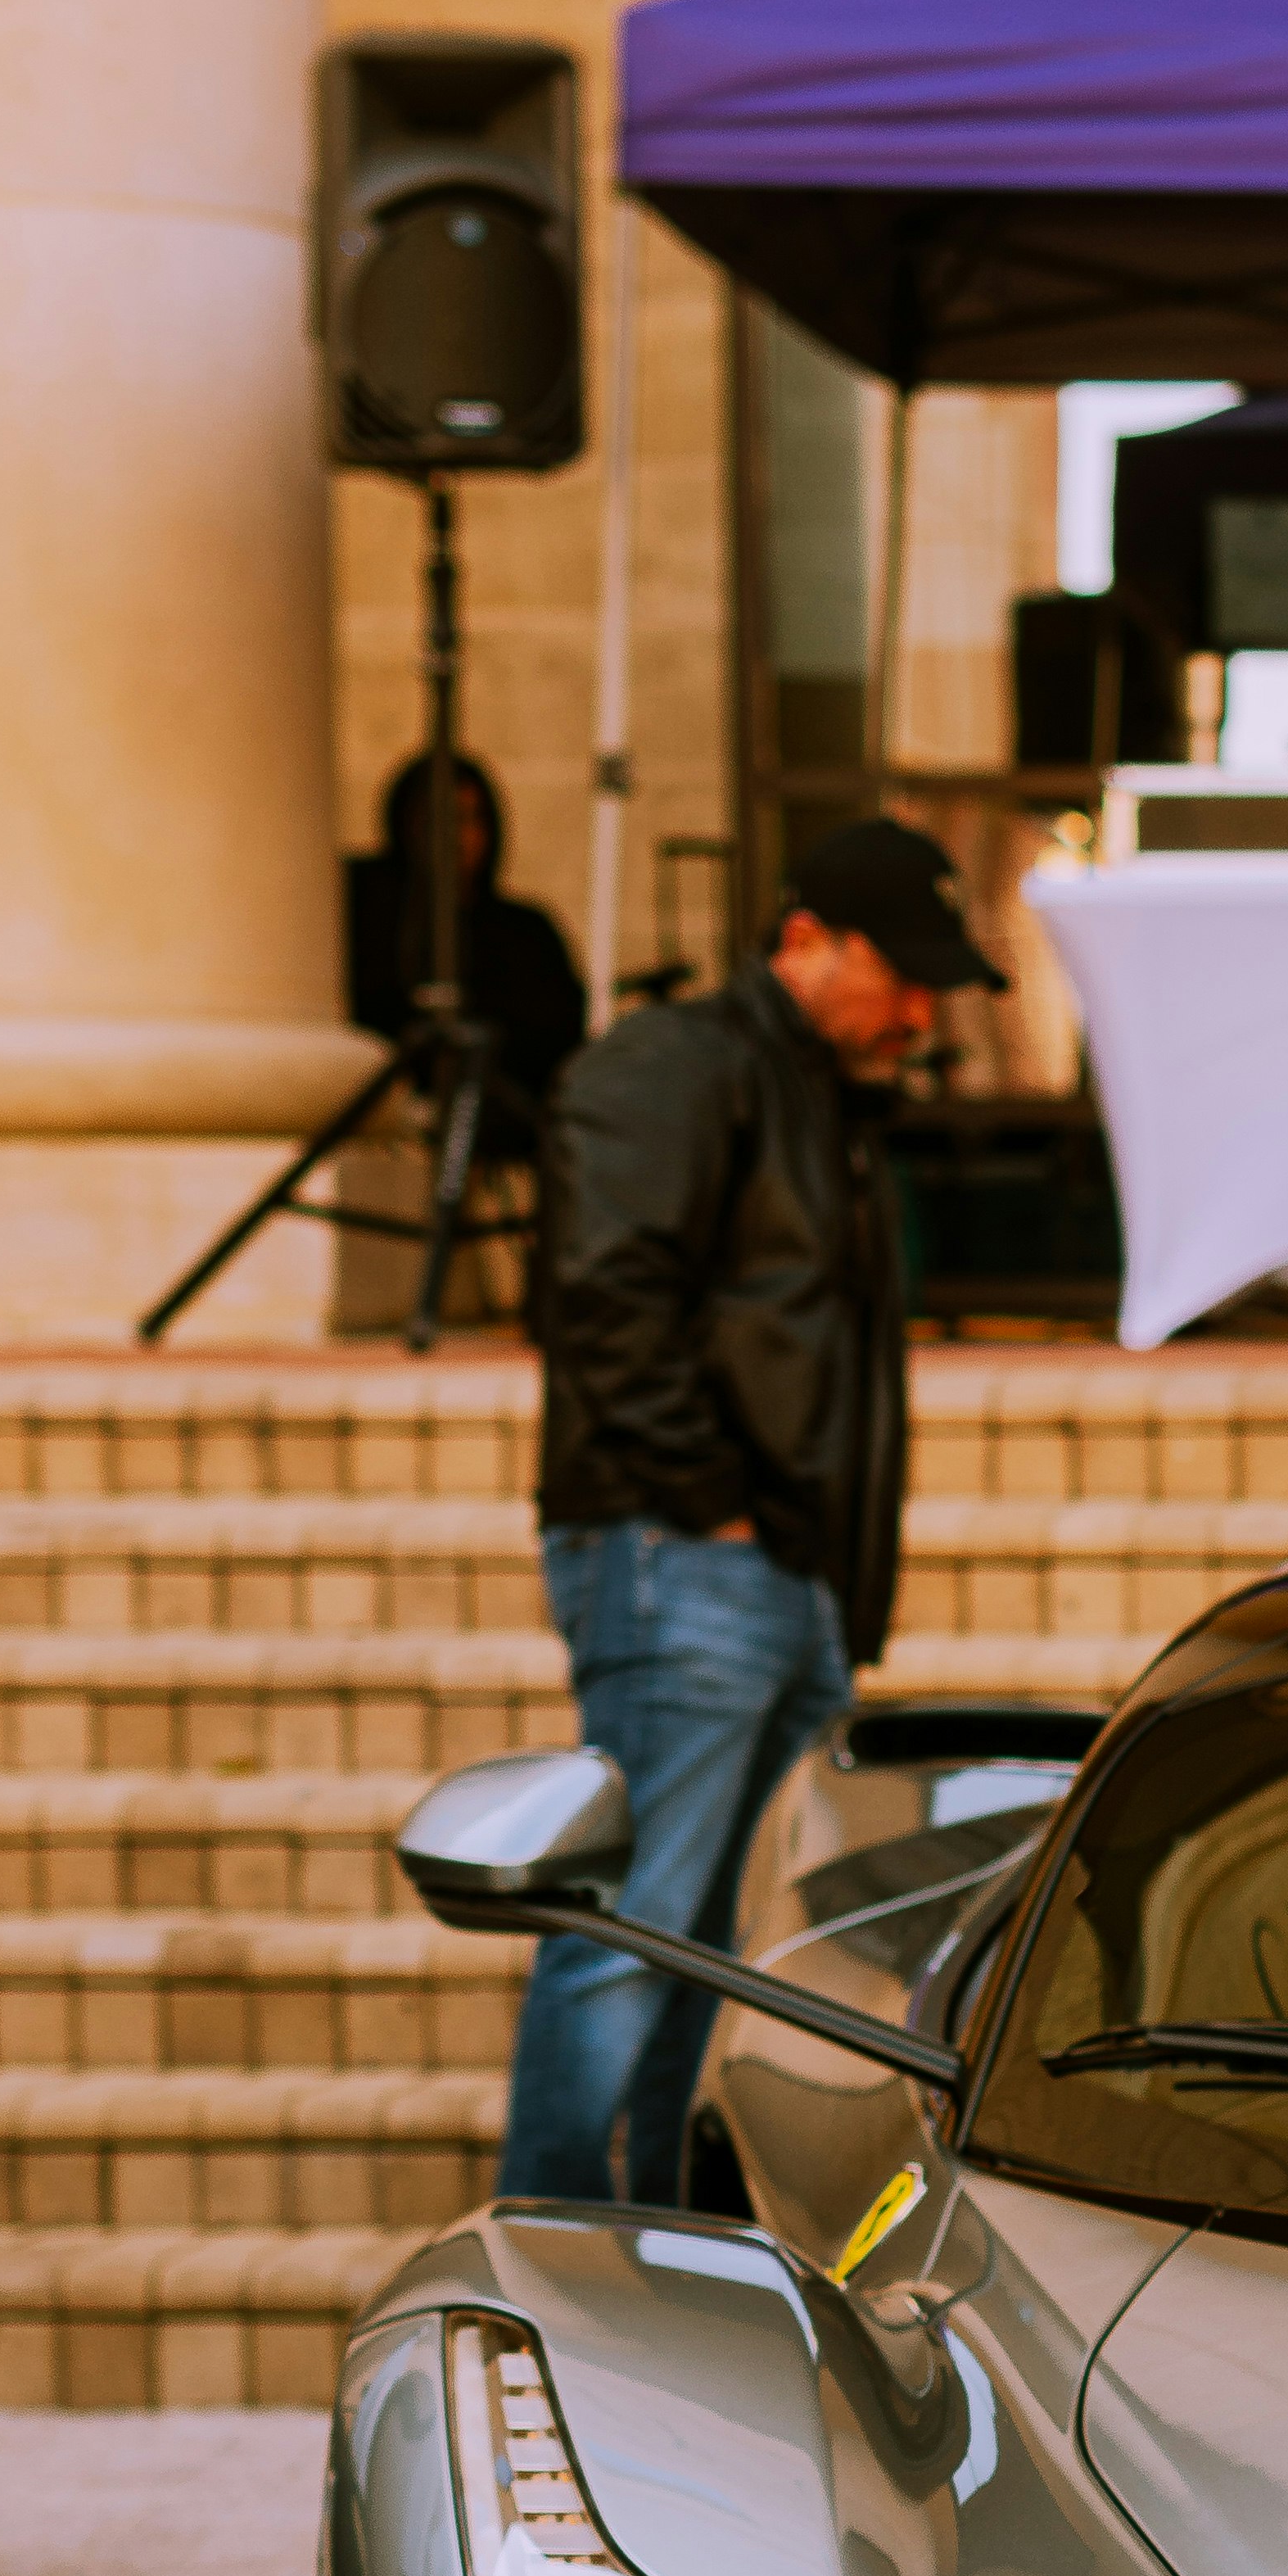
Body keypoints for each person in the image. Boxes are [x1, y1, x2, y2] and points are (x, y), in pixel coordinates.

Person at [495, 818, 1001, 2208]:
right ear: (805, 940)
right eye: (900, 974)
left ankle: (646, 2246)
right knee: (635, 1936)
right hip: (690, 1557)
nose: (919, 1010)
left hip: (769, 1570)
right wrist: (709, 1507)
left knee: (709, 1951)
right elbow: (604, 1294)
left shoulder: (809, 1098)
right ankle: (558, 2250)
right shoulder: (679, 1067)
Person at [344, 749, 588, 1148]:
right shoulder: (370, 911)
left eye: (468, 820)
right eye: (436, 820)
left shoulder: (526, 932)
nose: (453, 839)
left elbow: (554, 1042)